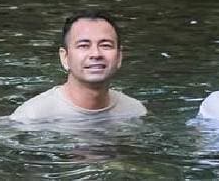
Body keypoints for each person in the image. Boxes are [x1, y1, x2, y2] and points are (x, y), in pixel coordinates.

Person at [8, 10, 147, 124]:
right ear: (65, 57)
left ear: (119, 57)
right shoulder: (32, 118)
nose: (96, 54)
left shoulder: (134, 112)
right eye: (83, 46)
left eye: (106, 45)